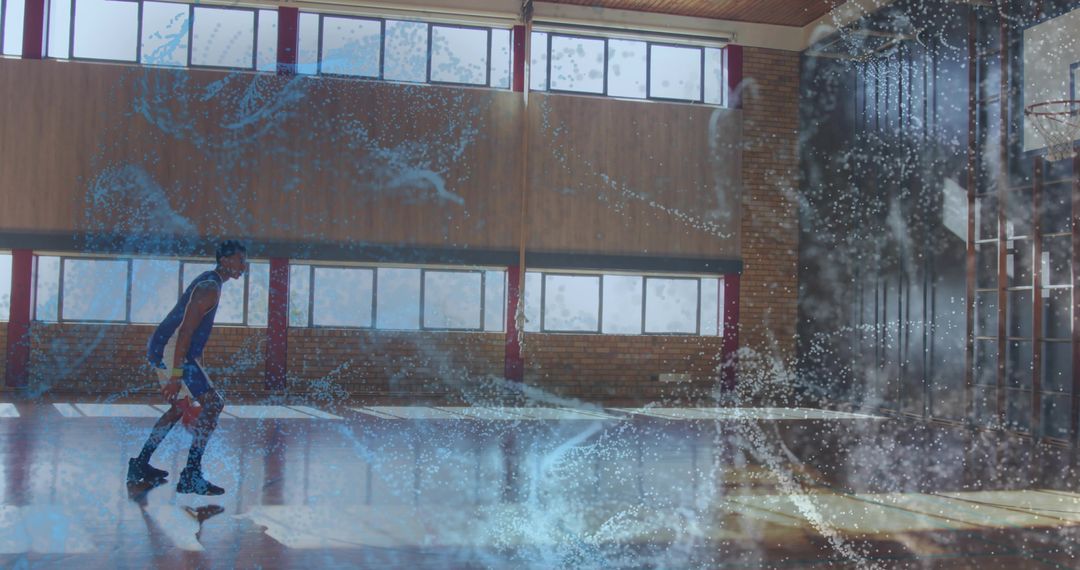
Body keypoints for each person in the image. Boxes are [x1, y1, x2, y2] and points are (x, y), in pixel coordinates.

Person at [126, 240, 247, 495]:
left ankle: (139, 465)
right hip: (172, 347)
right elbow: (185, 333)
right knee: (214, 404)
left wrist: (196, 366)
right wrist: (176, 375)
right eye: (239, 259)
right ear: (224, 261)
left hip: (166, 346)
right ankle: (191, 475)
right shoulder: (209, 288)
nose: (243, 265)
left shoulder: (211, 283)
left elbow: (192, 334)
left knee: (179, 408)